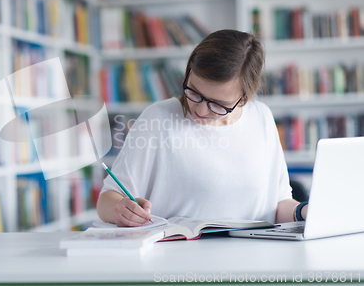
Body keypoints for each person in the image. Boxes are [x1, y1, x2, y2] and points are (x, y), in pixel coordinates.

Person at [97, 29, 308, 227]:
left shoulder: (262, 117)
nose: (200, 109)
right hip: (178, 259)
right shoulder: (158, 118)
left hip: (255, 257)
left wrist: (304, 212)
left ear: (243, 98)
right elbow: (106, 200)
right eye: (194, 92)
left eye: (217, 104)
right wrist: (119, 208)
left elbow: (278, 204)